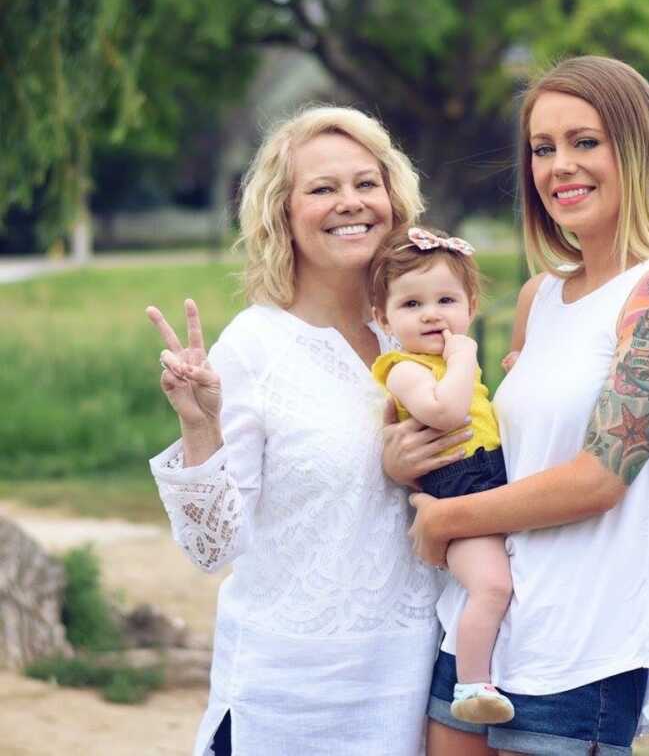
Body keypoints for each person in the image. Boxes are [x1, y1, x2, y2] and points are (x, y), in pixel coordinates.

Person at [382, 56, 649, 756]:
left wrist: (447, 519)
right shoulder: (539, 299)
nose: (559, 167)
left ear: (635, 150)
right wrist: (401, 456)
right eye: (543, 149)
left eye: (585, 141)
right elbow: (506, 452)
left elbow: (597, 479)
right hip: (482, 630)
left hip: (584, 654)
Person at [144, 106, 469, 756]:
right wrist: (200, 426)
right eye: (322, 189)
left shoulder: (417, 334)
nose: (350, 203)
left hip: (410, 683)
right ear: (282, 213)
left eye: (365, 183)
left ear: (393, 198)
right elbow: (213, 551)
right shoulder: (256, 347)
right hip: (290, 698)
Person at [369, 224, 515, 725]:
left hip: (491, 480)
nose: (431, 313)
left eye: (446, 300)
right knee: (492, 586)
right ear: (382, 317)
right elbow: (448, 413)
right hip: (459, 491)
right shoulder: (404, 367)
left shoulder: (448, 362)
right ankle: (472, 685)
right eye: (411, 305)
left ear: (470, 306)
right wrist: (465, 356)